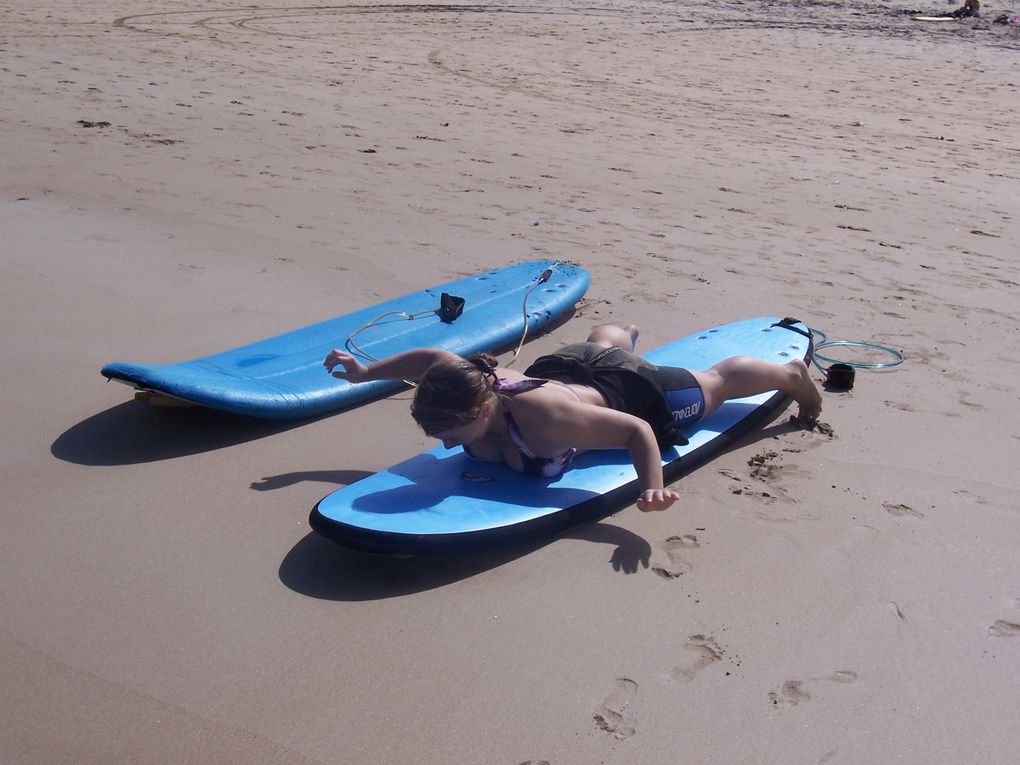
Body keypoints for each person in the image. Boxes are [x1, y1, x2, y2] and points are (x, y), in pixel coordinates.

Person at [323, 324, 822, 513]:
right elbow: (429, 359)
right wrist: (364, 371)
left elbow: (637, 429)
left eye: (454, 434)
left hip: (628, 389)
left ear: (482, 407)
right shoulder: (464, 385)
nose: (449, 447)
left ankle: (791, 374)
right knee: (599, 346)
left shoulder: (546, 420)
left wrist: (651, 485)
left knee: (715, 384)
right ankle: (616, 333)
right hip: (567, 364)